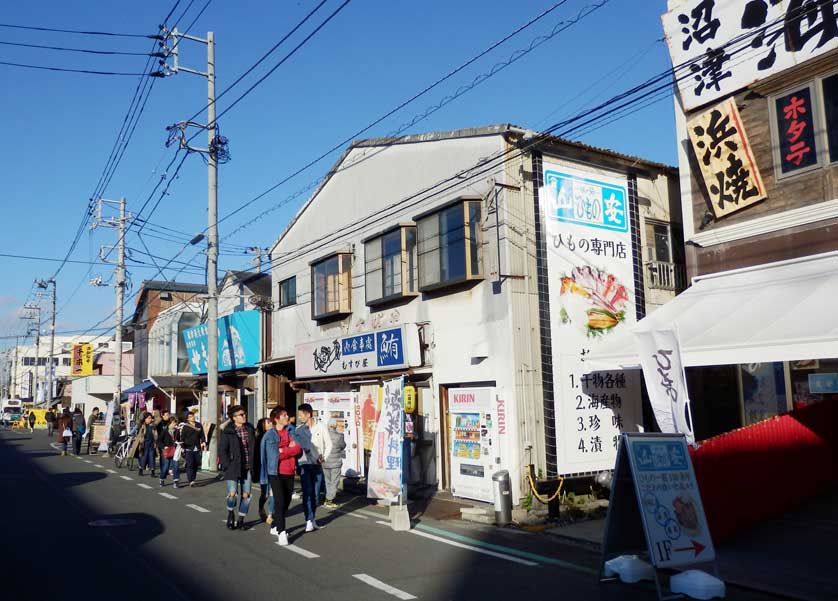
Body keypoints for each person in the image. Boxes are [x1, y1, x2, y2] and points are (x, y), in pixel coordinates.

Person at [263, 407, 302, 546]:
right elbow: (274, 454)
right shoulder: (270, 435)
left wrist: (284, 449)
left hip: (290, 470)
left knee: (287, 501)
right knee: (279, 501)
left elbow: (298, 448)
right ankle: (281, 532)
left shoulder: (291, 431)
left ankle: (275, 524)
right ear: (276, 419)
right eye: (284, 415)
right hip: (276, 472)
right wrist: (288, 449)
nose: (287, 417)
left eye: (287, 414)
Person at [292, 403, 332, 532]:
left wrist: (324, 456)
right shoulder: (298, 430)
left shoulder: (321, 427)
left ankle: (312, 518)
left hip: (317, 464)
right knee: (307, 493)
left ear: (308, 414)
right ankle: (308, 519)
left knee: (315, 494)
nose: (299, 417)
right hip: (304, 465)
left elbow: (329, 444)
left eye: (301, 415)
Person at [218, 405, 256, 531]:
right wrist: (228, 465)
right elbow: (222, 450)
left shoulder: (250, 429)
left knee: (246, 495)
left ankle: (241, 520)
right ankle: (230, 513)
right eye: (241, 414)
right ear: (234, 418)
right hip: (233, 467)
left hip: (247, 466)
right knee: (232, 494)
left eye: (244, 413)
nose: (244, 416)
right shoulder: (228, 431)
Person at [323, 418, 347, 509]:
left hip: (325, 461)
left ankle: (327, 497)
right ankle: (329, 499)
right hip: (336, 462)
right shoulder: (339, 436)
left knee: (327, 481)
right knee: (335, 481)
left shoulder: (324, 435)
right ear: (335, 426)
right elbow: (343, 445)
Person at [254, 417, 274, 524]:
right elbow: (257, 456)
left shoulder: (274, 435)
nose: (271, 424)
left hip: (273, 468)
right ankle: (261, 508)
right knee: (265, 494)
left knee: (273, 492)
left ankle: (271, 514)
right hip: (263, 469)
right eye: (268, 422)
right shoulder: (259, 438)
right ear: (262, 425)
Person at [178, 411, 206, 486]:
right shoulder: (185, 426)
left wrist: (203, 442)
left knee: (196, 463)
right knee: (190, 464)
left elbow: (202, 435)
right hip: (188, 448)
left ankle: (193, 478)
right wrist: (183, 447)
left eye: (193, 416)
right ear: (187, 418)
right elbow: (182, 438)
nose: (192, 417)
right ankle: (191, 480)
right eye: (190, 416)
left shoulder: (198, 425)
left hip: (197, 447)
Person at [129, 412, 157, 477]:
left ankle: (153, 472)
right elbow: (138, 421)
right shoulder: (142, 425)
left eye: (151, 418)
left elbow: (157, 421)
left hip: (152, 443)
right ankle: (141, 469)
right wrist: (143, 414)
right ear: (145, 419)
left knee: (151, 457)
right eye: (148, 418)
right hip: (144, 443)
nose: (150, 419)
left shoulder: (153, 426)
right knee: (143, 457)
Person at [156, 411, 178, 488]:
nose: (175, 425)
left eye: (176, 423)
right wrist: (163, 446)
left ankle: (176, 481)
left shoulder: (177, 431)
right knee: (165, 467)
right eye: (174, 423)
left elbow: (179, 440)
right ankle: (162, 479)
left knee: (175, 466)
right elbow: (158, 440)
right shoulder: (165, 431)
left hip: (175, 450)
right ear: (170, 423)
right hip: (167, 450)